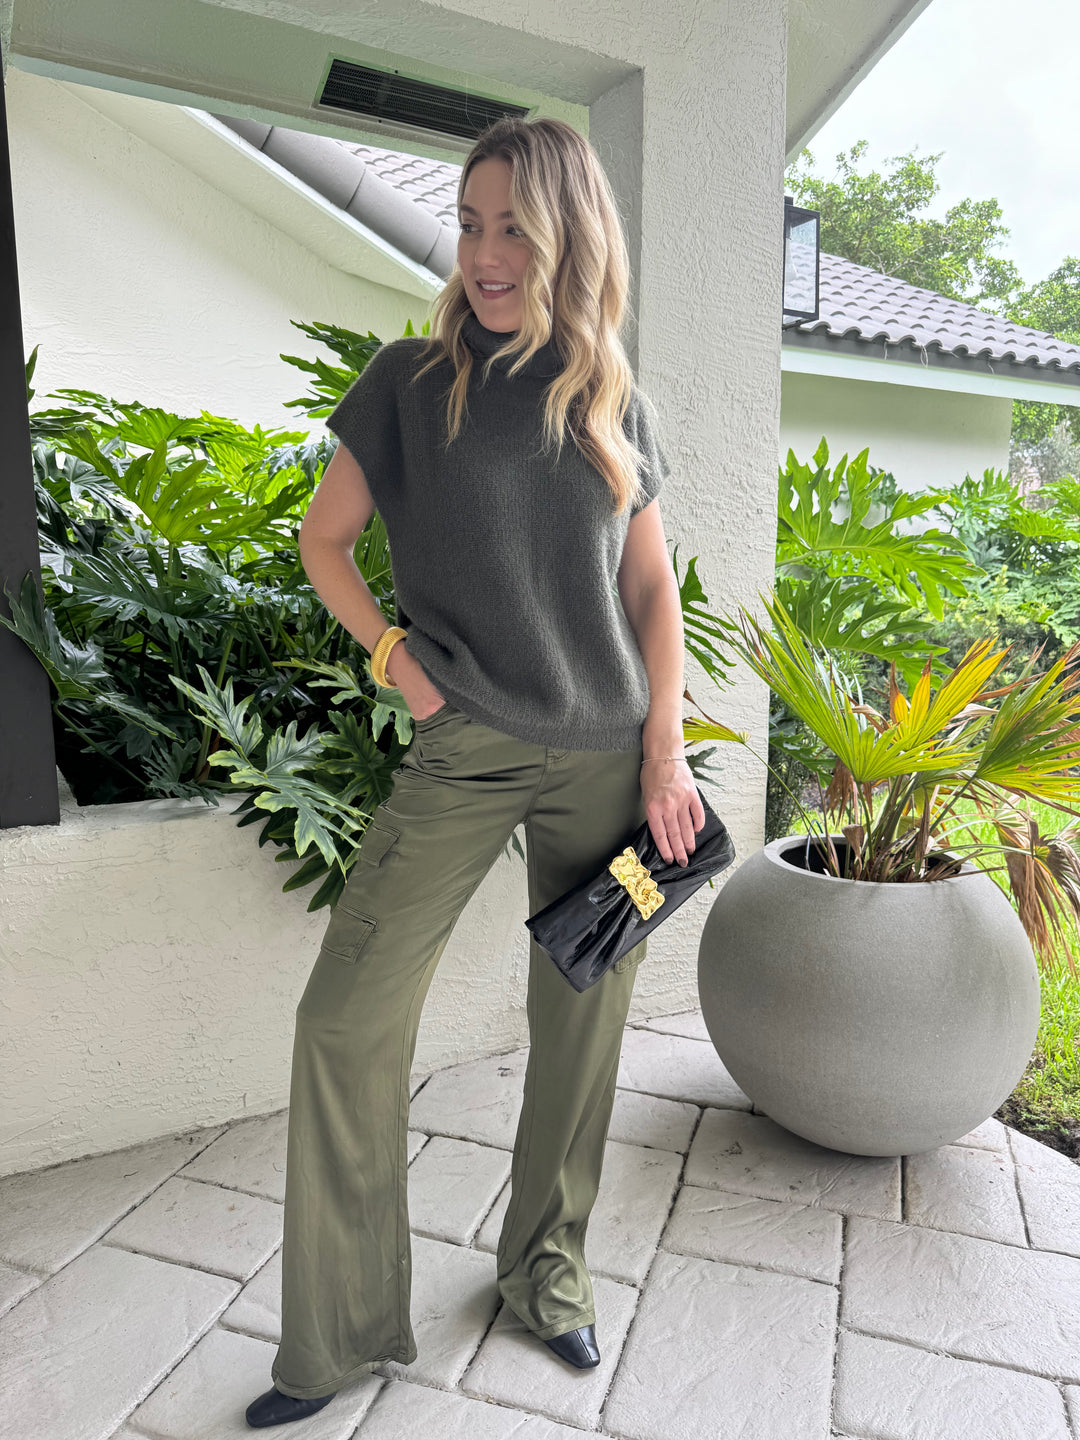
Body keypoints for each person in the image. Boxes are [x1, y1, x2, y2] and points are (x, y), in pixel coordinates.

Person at [245, 113, 703, 1429]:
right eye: (472, 221)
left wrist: (664, 754)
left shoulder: (614, 397)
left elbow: (653, 587)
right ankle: (335, 1335)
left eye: (515, 226)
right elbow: (323, 542)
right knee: (344, 1018)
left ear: (568, 236)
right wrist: (399, 662)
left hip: (611, 759)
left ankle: (544, 1275)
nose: (487, 252)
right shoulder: (407, 381)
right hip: (469, 747)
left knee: (582, 1025)